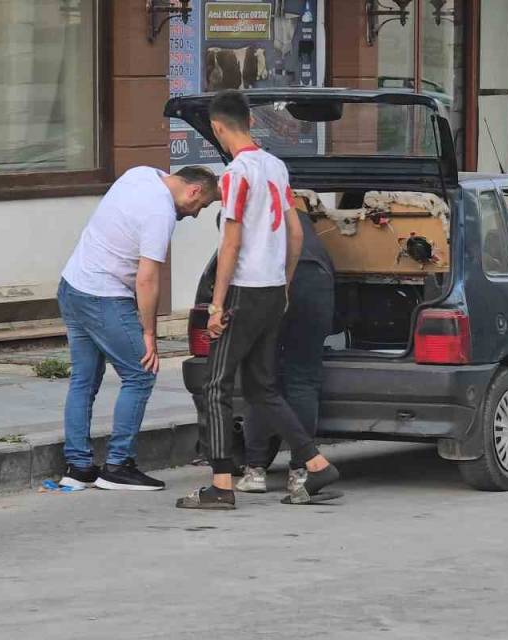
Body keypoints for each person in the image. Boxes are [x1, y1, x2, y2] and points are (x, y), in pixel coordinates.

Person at [177, 90, 341, 510]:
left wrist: (216, 306)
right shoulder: (275, 166)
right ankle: (316, 463)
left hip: (244, 291)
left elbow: (230, 243)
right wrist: (284, 286)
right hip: (272, 289)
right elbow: (297, 233)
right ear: (250, 121)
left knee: (216, 386)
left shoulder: (236, 174)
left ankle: (221, 486)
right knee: (263, 388)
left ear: (217, 127)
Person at [58, 165, 220, 491]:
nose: (196, 215)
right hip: (103, 296)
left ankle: (78, 467)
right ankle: (118, 465)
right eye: (201, 206)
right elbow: (147, 279)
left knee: (84, 379)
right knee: (141, 372)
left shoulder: (142, 174)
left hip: (72, 286)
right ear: (193, 192)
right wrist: (149, 334)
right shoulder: (160, 213)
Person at [234, 205, 335, 496]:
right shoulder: (301, 219)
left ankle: (255, 471)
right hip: (314, 284)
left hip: (267, 286)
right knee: (302, 380)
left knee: (261, 382)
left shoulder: (242, 212)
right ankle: (300, 472)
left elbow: (235, 257)